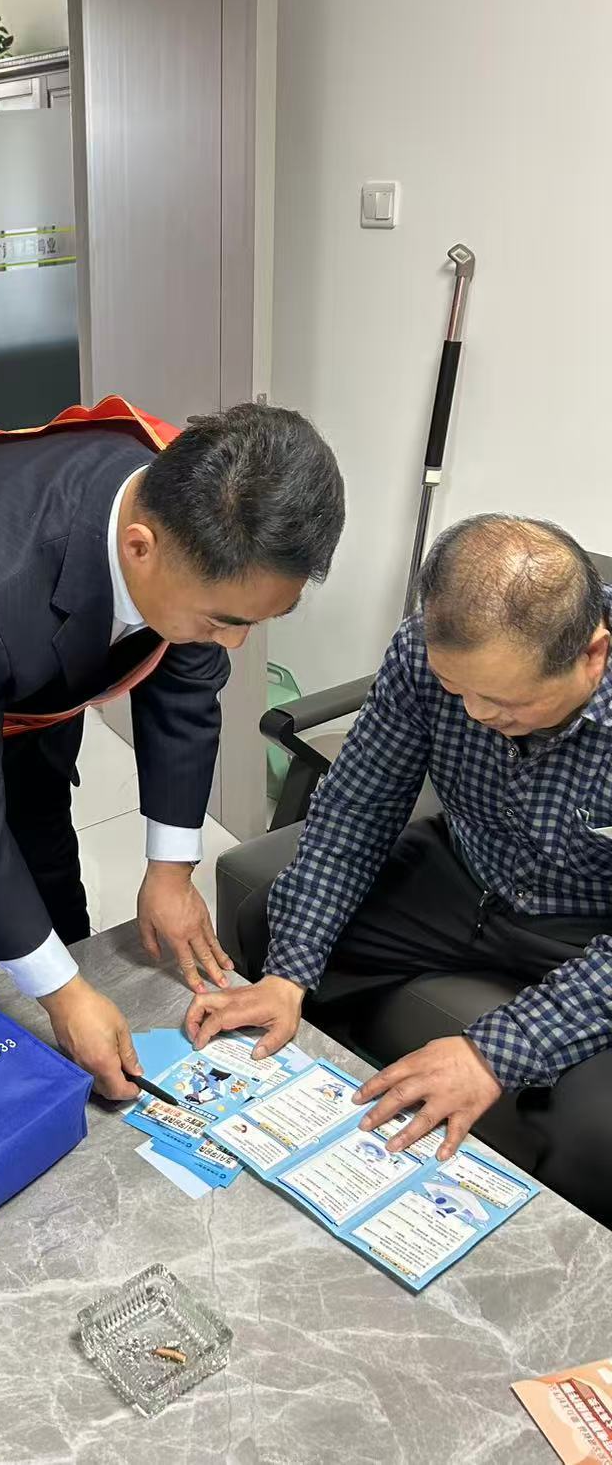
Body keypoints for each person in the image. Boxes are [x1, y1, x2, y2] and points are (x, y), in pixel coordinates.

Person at [0, 398, 345, 1102]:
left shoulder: (201, 509)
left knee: (46, 866)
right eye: (224, 621)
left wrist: (169, 873)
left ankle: (81, 1027)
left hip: (20, 705)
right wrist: (61, 995)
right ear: (140, 547)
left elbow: (185, 686)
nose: (235, 642)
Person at [188, 515, 612, 1224]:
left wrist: (492, 1053)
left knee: (598, 1136)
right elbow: (359, 806)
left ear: (593, 654)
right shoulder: (421, 649)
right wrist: (288, 974)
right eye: (458, 690)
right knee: (272, 926)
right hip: (466, 874)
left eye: (508, 701)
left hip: (588, 931)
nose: (477, 714)